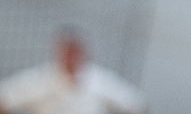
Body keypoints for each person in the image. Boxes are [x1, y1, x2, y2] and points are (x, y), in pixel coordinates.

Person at [0, 29, 146, 114]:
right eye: (68, 52)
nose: (72, 57)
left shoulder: (99, 79)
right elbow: (5, 99)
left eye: (75, 51)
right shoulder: (40, 79)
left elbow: (134, 103)